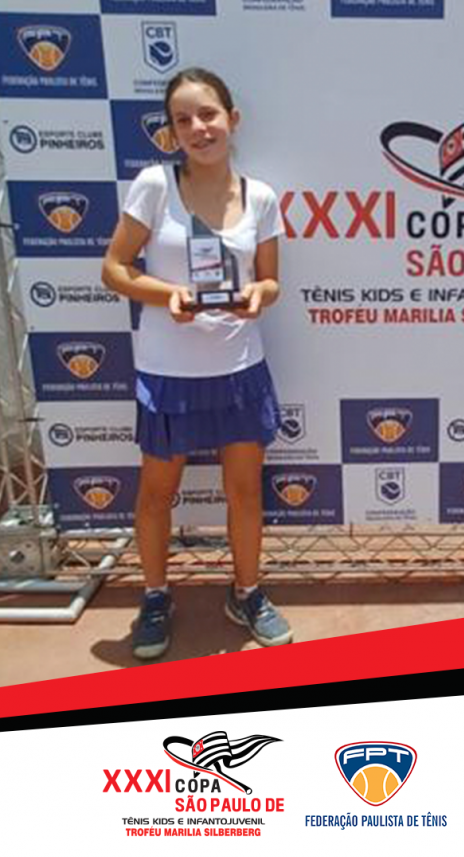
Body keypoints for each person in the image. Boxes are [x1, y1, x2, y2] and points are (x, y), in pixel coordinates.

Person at [102, 67, 292, 656]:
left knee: (246, 494)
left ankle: (247, 592)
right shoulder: (153, 185)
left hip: (240, 370)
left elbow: (271, 282)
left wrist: (259, 295)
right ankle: (156, 596)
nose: (197, 128)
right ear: (171, 132)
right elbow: (114, 269)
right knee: (156, 495)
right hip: (169, 375)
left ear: (232, 120)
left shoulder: (261, 197)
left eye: (208, 114)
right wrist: (169, 296)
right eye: (182, 120)